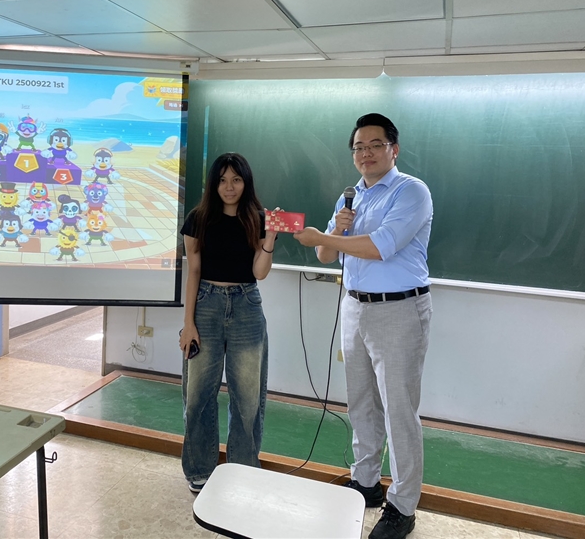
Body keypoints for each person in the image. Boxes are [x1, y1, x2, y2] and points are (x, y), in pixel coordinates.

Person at [293, 113, 433, 539]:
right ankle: (366, 482)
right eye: (358, 147)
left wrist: (324, 237)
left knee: (399, 409)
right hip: (354, 306)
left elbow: (380, 246)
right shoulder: (350, 196)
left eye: (375, 145)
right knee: (361, 403)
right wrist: (334, 231)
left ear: (394, 149)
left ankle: (403, 506)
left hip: (399, 310)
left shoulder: (411, 191)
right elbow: (325, 256)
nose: (365, 153)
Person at [179, 152, 278, 494]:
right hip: (205, 306)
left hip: (247, 306)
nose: (229, 187)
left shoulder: (259, 219)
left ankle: (243, 470)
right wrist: (188, 323)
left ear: (246, 182)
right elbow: (193, 271)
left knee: (248, 398)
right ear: (213, 183)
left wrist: (270, 238)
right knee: (198, 396)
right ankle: (199, 469)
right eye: (222, 180)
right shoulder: (198, 219)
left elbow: (259, 273)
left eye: (236, 179)